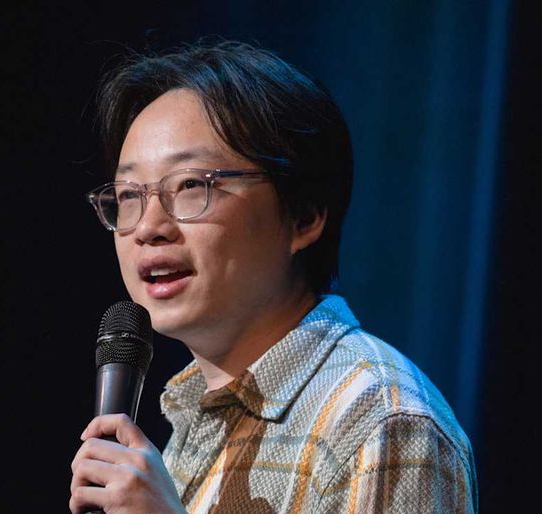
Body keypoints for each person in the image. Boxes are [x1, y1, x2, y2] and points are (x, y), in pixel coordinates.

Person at [68, 40, 477, 513]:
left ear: (304, 215)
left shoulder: (380, 420)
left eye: (191, 185)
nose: (148, 228)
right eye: (128, 195)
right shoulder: (195, 418)